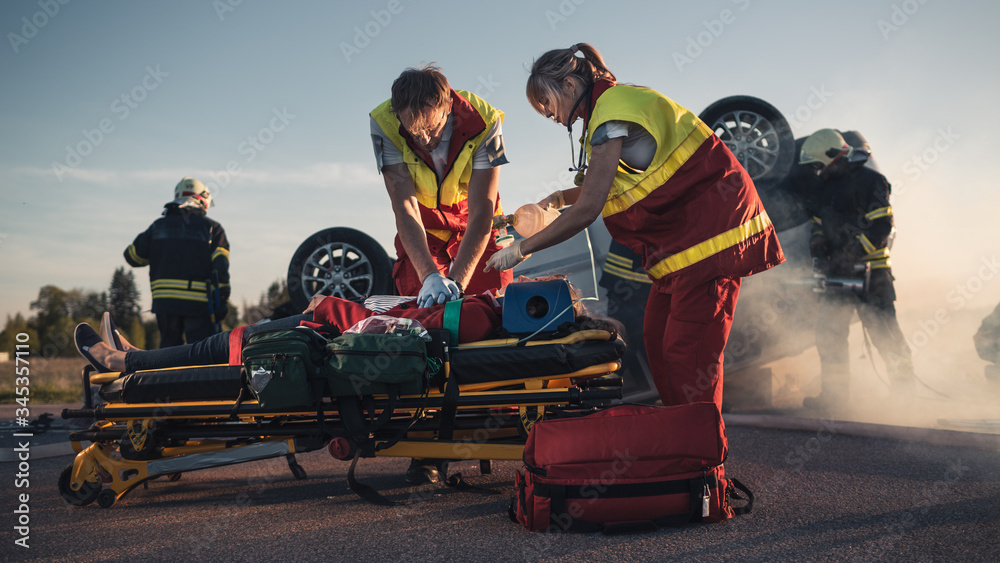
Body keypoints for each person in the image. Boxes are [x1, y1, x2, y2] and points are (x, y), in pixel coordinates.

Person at [485, 43, 785, 413]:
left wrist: (521, 249)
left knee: (686, 354)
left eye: (544, 101)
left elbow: (590, 208)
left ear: (568, 84)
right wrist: (559, 198)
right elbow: (607, 186)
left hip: (711, 241)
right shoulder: (610, 110)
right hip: (681, 250)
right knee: (656, 340)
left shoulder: (611, 112)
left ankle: (703, 461)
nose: (546, 113)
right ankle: (682, 442)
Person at [370, 65, 512, 308]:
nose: (423, 140)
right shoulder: (383, 123)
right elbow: (404, 207)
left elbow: (482, 212)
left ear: (447, 107)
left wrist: (456, 283)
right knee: (422, 311)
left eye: (429, 129)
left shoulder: (487, 121)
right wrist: (429, 276)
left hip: (475, 216)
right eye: (413, 132)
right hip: (423, 222)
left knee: (494, 305)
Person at [799, 129, 915, 410]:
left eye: (818, 166)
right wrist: (818, 240)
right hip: (838, 276)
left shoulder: (871, 181)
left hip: (872, 274)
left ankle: (905, 400)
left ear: (833, 157)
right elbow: (818, 220)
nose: (816, 172)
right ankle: (834, 400)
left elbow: (881, 226)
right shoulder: (824, 188)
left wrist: (851, 253)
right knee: (829, 336)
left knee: (885, 336)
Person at [125, 177, 230, 347]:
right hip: (199, 303)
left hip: (165, 303)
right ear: (202, 199)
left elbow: (132, 256)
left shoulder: (158, 226)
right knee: (201, 354)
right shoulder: (213, 229)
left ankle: (165, 375)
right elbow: (221, 268)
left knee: (168, 354)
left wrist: (159, 250)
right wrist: (223, 299)